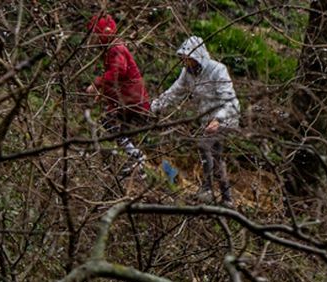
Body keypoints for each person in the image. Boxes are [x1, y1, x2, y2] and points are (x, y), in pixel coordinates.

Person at [151, 36, 241, 205]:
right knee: (217, 157)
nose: (185, 62)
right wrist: (155, 106)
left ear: (197, 56)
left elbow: (229, 99)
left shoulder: (217, 70)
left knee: (203, 145)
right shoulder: (188, 73)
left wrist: (219, 119)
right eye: (183, 59)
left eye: (188, 58)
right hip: (207, 121)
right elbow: (175, 91)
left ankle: (207, 188)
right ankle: (228, 199)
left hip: (226, 117)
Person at [86, 14, 150, 176]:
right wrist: (103, 92)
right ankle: (136, 166)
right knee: (115, 128)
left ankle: (136, 158)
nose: (92, 38)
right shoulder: (113, 48)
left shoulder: (116, 48)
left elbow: (118, 72)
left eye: (94, 33)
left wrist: (97, 83)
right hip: (129, 100)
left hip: (131, 101)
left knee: (112, 125)